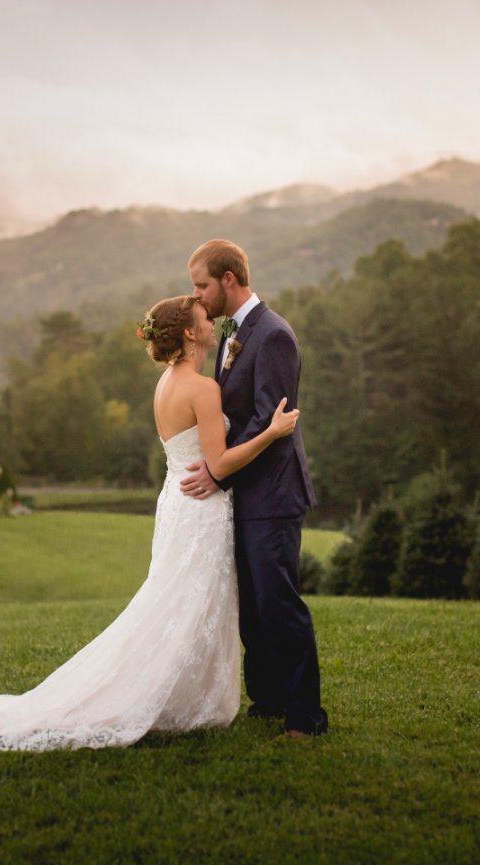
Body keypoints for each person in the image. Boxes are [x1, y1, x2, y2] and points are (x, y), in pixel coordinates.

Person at [0, 294, 299, 750]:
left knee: (176, 600)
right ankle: (176, 699)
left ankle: (181, 695)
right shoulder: (202, 388)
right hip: (200, 506)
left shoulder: (166, 383)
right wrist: (271, 432)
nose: (214, 322)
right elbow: (221, 463)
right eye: (205, 319)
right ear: (190, 333)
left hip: (176, 501)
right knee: (187, 601)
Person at [180, 239, 327, 737]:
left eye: (201, 285)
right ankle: (266, 700)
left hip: (273, 494)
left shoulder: (274, 334)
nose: (196, 296)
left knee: (279, 604)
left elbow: (270, 419)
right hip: (243, 494)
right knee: (252, 609)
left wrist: (219, 468)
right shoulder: (232, 334)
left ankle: (305, 717)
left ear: (228, 279)